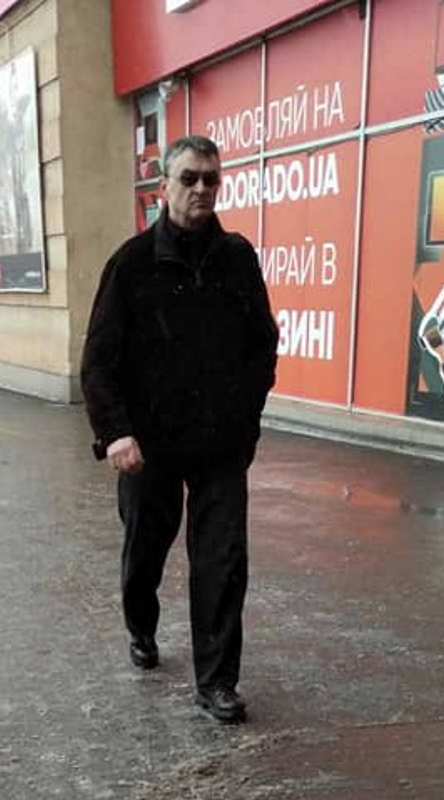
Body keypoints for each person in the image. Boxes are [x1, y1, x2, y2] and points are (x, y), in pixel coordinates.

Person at [80, 134, 278, 724]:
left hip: (220, 444)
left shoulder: (237, 257)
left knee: (222, 560)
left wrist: (246, 420)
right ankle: (140, 624)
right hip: (149, 446)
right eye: (189, 178)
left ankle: (217, 681)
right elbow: (99, 359)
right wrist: (116, 432)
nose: (201, 190)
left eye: (210, 180)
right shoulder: (132, 264)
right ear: (163, 187)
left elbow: (261, 346)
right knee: (145, 548)